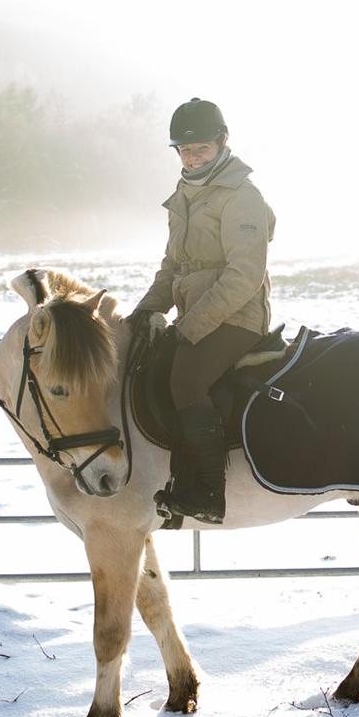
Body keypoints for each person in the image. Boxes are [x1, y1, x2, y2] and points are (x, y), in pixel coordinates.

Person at [126, 98, 275, 524]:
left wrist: (188, 327)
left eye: (202, 149)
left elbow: (244, 276)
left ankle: (208, 492)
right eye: (185, 151)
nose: (193, 158)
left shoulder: (242, 196)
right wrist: (146, 310)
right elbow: (173, 265)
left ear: (222, 143)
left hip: (238, 316)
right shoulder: (184, 195)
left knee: (186, 379)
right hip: (198, 315)